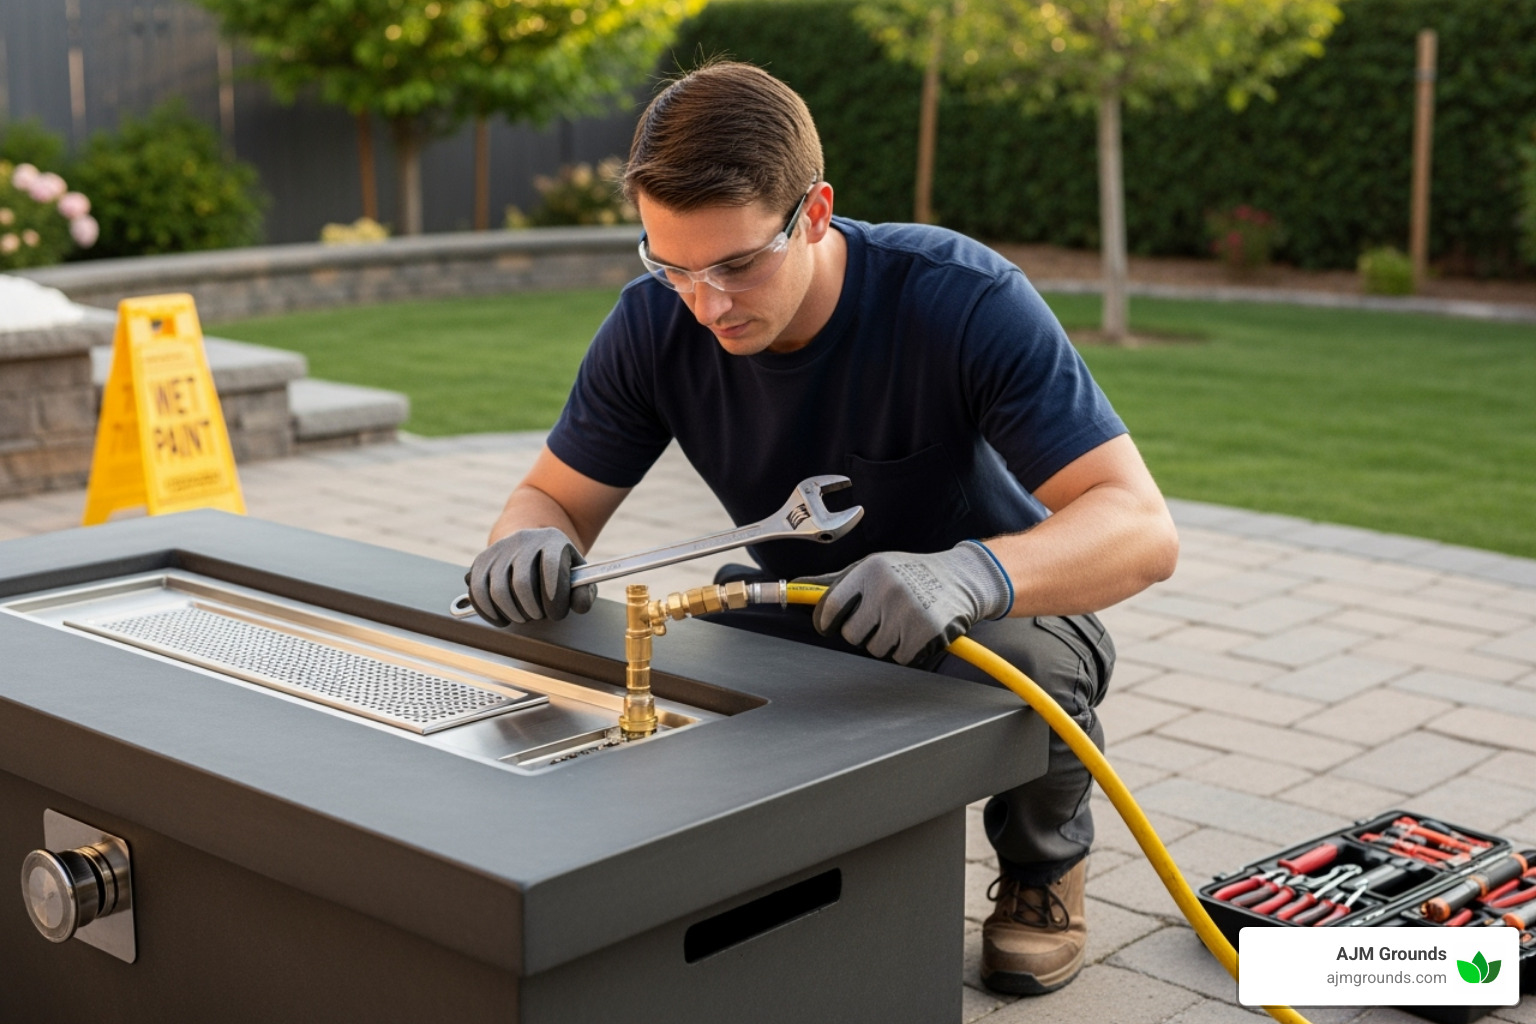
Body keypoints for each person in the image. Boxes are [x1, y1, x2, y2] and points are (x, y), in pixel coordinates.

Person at [466, 60, 1179, 996]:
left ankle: (1044, 868)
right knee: (681, 660)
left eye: (736, 263)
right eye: (671, 264)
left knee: (1032, 673)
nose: (708, 303)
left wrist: (964, 576)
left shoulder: (958, 297)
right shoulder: (655, 325)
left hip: (1005, 608)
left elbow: (1140, 526)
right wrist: (524, 539)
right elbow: (551, 499)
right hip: (803, 600)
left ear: (814, 211)